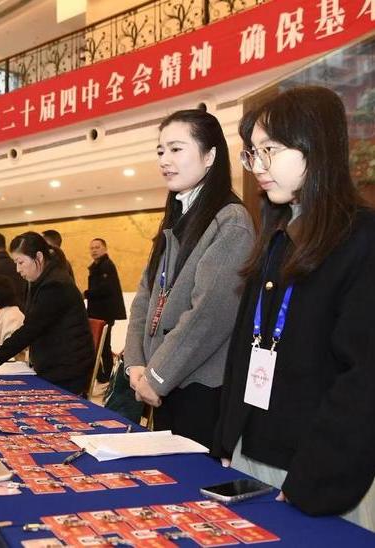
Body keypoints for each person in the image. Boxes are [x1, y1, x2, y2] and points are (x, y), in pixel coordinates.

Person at [213, 86, 375, 530]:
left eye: (270, 150)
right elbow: (246, 351)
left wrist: (313, 478)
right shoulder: (279, 236)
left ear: (316, 144)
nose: (258, 166)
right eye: (252, 153)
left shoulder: (362, 239)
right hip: (252, 451)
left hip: (314, 474)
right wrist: (229, 439)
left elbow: (364, 380)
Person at [124, 107, 255, 449]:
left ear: (210, 156)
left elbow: (208, 315)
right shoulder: (177, 217)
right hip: (162, 383)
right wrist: (135, 363)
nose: (165, 160)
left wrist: (156, 375)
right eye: (160, 151)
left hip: (200, 389)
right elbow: (145, 298)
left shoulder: (231, 221)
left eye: (176, 149)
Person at [0, 232, 95, 395]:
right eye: (16, 263)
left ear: (39, 257)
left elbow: (29, 331)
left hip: (67, 372)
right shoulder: (41, 280)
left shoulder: (55, 285)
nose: (18, 269)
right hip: (53, 366)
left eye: (21, 262)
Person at [84, 238, 126, 383]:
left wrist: (86, 293)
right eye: (92, 248)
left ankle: (106, 376)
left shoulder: (106, 266)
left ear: (105, 249)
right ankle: (103, 375)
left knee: (103, 345)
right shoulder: (97, 266)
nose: (94, 250)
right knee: (100, 345)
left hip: (105, 313)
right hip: (97, 312)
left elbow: (106, 289)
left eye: (97, 247)